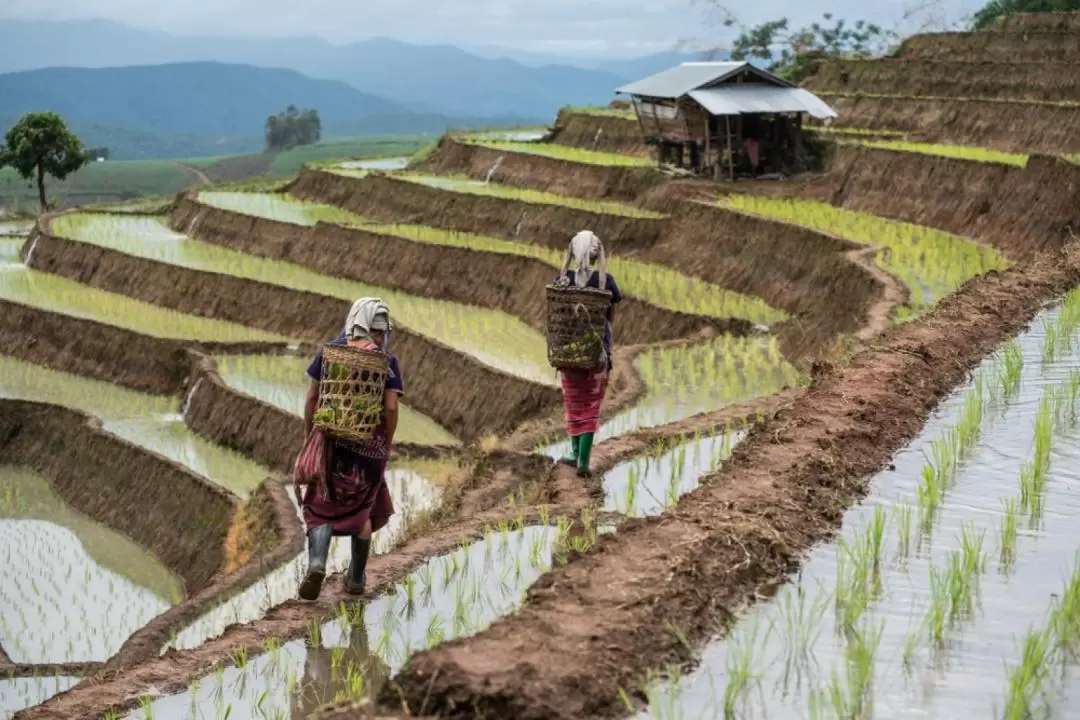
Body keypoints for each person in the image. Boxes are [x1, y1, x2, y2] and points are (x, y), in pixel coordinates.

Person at [299, 297, 404, 601]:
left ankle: (317, 562)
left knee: (321, 505)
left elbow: (311, 399)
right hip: (368, 453)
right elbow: (392, 406)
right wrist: (386, 441)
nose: (382, 338)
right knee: (362, 509)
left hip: (333, 445)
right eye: (381, 333)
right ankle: (356, 579)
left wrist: (310, 436)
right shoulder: (386, 361)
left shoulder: (330, 352)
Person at [553, 230, 621, 477]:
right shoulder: (607, 282)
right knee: (591, 405)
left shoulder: (563, 280)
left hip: (569, 354)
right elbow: (610, 319)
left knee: (573, 402)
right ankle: (583, 460)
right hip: (597, 357)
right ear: (595, 255)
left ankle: (573, 452)